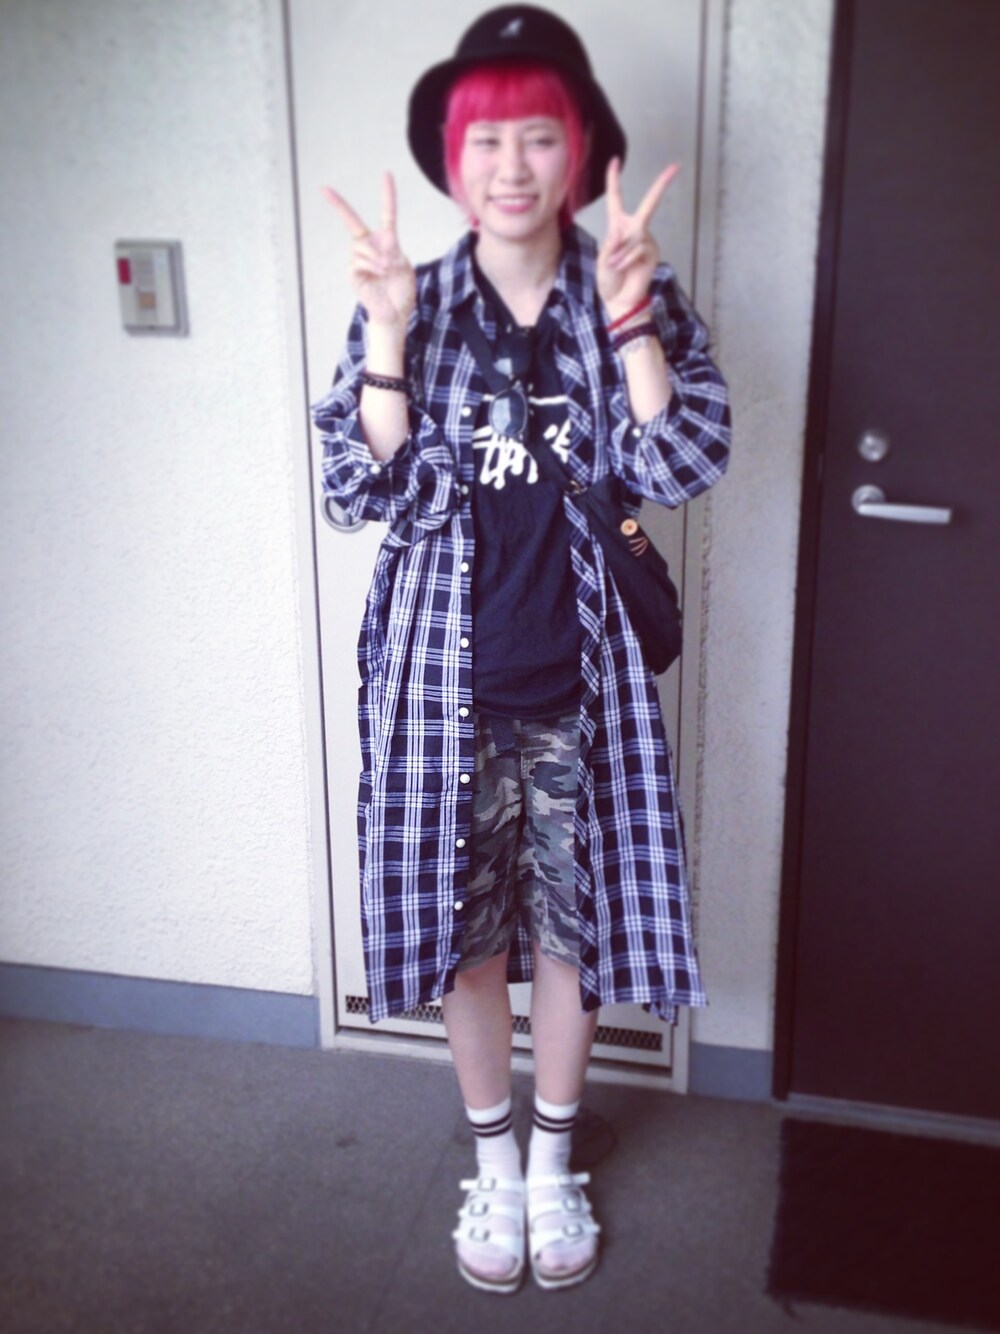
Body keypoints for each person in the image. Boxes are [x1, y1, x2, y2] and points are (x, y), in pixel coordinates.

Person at [313, 3, 731, 1295]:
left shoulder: (629, 288)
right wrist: (389, 337)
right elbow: (356, 490)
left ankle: (554, 1164)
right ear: (454, 158)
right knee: (466, 937)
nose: (511, 165)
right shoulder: (416, 298)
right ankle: (492, 1163)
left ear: (581, 151)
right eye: (486, 139)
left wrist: (633, 324)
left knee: (573, 932)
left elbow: (685, 463)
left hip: (584, 684)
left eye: (538, 136)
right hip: (441, 686)